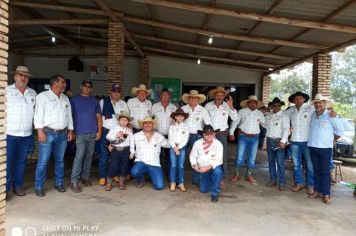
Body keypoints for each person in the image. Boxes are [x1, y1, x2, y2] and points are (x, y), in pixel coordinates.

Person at [34, 75, 74, 197]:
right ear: (55, 83)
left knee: (60, 160)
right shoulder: (42, 97)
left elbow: (69, 116)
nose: (65, 85)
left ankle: (59, 183)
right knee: (43, 161)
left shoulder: (65, 98)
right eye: (63, 82)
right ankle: (39, 186)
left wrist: (70, 131)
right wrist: (40, 131)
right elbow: (38, 115)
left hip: (62, 134)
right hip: (47, 133)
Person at [6, 66, 37, 197]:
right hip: (9, 134)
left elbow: (36, 114)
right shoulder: (6, 91)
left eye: (25, 76)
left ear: (28, 78)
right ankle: (6, 189)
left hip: (26, 134)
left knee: (21, 162)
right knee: (7, 162)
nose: (23, 78)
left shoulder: (33, 94)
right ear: (15, 76)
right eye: (20, 75)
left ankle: (18, 186)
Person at [308, 94, 343, 204]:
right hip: (313, 146)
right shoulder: (313, 115)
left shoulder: (331, 116)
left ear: (324, 104)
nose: (318, 104)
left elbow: (340, 131)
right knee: (316, 170)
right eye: (316, 103)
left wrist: (332, 141)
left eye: (320, 103)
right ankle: (317, 191)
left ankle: (326, 194)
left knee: (325, 172)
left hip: (325, 149)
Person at [70, 80, 102, 193]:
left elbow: (98, 117)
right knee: (79, 156)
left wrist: (99, 131)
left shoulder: (94, 101)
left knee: (89, 156)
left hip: (92, 132)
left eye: (89, 87)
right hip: (80, 133)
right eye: (85, 86)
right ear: (81, 86)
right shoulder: (73, 100)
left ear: (91, 89)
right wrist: (71, 131)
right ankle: (74, 181)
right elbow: (70, 117)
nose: (87, 88)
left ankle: (85, 177)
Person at [205, 86, 238, 189]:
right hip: (210, 134)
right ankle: (210, 177)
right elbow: (205, 119)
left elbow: (235, 118)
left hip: (222, 134)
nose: (219, 97)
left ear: (224, 96)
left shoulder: (227, 106)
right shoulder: (208, 106)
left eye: (222, 95)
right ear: (214, 96)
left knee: (222, 156)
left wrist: (231, 107)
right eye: (218, 95)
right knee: (209, 155)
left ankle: (221, 179)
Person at [229, 95, 265, 185]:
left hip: (255, 138)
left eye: (254, 102)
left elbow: (264, 124)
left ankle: (249, 175)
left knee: (252, 158)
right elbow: (235, 122)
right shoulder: (242, 112)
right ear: (248, 103)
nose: (252, 104)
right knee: (239, 157)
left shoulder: (259, 113)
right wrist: (231, 133)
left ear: (256, 104)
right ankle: (237, 174)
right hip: (243, 137)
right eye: (251, 102)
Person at [98, 84, 129, 185]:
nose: (116, 93)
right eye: (114, 91)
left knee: (117, 155)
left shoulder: (123, 104)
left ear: (120, 93)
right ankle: (102, 176)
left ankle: (114, 175)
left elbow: (127, 119)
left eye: (118, 91)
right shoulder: (103, 101)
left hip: (119, 132)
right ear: (111, 92)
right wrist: (99, 130)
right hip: (106, 131)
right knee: (104, 154)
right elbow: (98, 117)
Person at [285, 91, 314, 194]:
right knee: (297, 165)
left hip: (307, 141)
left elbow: (320, 113)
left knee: (310, 165)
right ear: (293, 100)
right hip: (294, 141)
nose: (298, 100)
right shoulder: (290, 111)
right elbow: (281, 117)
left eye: (300, 98)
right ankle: (299, 183)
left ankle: (310, 185)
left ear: (304, 99)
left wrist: (332, 113)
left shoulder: (310, 109)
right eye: (296, 99)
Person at [181, 90, 211, 185]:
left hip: (197, 136)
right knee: (181, 158)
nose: (193, 99)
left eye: (195, 98)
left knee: (198, 158)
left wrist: (209, 136)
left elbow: (208, 123)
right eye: (191, 97)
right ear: (188, 99)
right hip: (183, 136)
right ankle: (180, 180)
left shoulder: (203, 110)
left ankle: (196, 179)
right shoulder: (183, 109)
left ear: (198, 99)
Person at [130, 117, 169, 190]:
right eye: (146, 123)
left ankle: (151, 175)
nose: (148, 125)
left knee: (159, 186)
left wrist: (179, 144)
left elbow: (168, 144)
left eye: (150, 123)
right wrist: (110, 144)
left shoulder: (159, 136)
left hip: (154, 164)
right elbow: (127, 143)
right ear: (143, 125)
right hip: (141, 162)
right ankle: (141, 180)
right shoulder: (136, 136)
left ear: (153, 125)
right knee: (135, 171)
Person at [189, 125, 223, 202]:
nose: (208, 135)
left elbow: (219, 160)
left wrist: (208, 167)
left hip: (213, 166)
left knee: (218, 172)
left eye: (211, 134)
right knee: (203, 190)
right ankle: (212, 180)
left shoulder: (218, 144)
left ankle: (215, 193)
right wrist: (195, 165)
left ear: (214, 134)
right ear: (203, 134)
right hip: (202, 168)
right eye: (206, 134)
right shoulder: (197, 143)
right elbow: (192, 156)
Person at [151, 88, 177, 180]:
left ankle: (169, 176)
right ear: (160, 96)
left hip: (169, 136)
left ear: (170, 96)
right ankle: (156, 175)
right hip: (157, 135)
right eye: (163, 94)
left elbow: (176, 122)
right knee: (156, 156)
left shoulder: (174, 108)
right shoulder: (154, 107)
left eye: (167, 94)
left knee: (169, 157)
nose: (165, 96)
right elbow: (151, 120)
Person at [265, 97, 290, 191]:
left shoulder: (284, 116)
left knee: (280, 163)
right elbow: (265, 125)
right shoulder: (269, 115)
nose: (276, 107)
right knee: (271, 161)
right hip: (269, 140)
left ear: (281, 106)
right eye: (274, 105)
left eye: (278, 105)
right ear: (271, 106)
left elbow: (286, 129)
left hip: (279, 141)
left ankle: (282, 182)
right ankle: (273, 180)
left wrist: (283, 141)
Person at [105, 112, 134, 191]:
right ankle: (109, 183)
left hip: (126, 150)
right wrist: (116, 136)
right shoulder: (114, 128)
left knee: (123, 166)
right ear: (119, 120)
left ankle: (121, 182)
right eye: (122, 120)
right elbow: (108, 137)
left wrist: (132, 152)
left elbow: (132, 141)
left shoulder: (129, 130)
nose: (123, 121)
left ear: (128, 121)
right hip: (115, 150)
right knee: (113, 166)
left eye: (125, 120)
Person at [168, 108, 189, 192]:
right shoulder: (172, 127)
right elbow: (170, 138)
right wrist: (174, 147)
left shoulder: (186, 127)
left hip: (182, 147)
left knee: (181, 165)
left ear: (184, 117)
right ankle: (173, 182)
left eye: (181, 116)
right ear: (175, 117)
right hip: (173, 147)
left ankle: (181, 182)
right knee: (173, 165)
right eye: (178, 116)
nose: (180, 117)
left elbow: (186, 139)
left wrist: (179, 147)